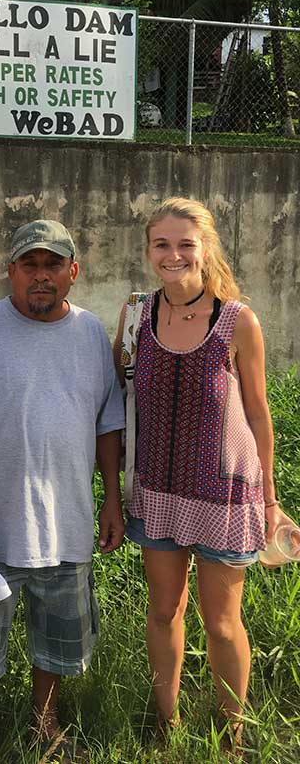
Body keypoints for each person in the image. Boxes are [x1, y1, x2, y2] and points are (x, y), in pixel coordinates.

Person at [0, 220, 125, 763]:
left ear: (73, 272)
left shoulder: (90, 333)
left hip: (68, 522)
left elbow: (109, 423)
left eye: (53, 265)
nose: (42, 277)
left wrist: (112, 497)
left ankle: (46, 723)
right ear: (10, 271)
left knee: (60, 640)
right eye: (30, 266)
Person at [112, 197, 282, 750]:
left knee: (223, 623)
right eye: (162, 243)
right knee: (163, 611)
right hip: (157, 492)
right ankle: (167, 721)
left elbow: (258, 413)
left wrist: (270, 501)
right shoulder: (136, 314)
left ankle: (231, 731)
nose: (174, 254)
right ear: (147, 250)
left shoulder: (237, 321)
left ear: (206, 249)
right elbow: (120, 393)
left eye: (186, 243)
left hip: (224, 495)